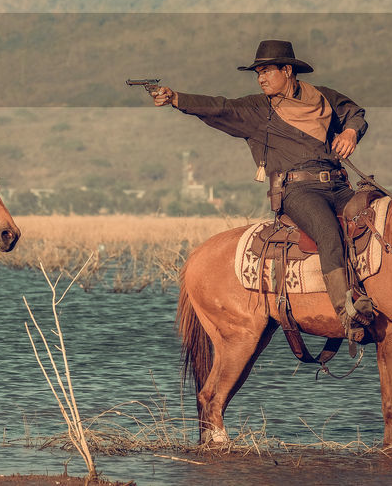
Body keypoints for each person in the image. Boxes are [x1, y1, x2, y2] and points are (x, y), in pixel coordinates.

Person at [150, 39, 375, 339]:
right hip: (299, 192)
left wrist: (350, 131)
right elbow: (219, 107)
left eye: (267, 71)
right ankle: (346, 314)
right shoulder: (258, 110)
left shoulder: (323, 97)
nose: (260, 78)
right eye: (258, 73)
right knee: (328, 233)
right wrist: (176, 98)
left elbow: (355, 113)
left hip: (338, 184)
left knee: (379, 218)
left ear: (287, 71)